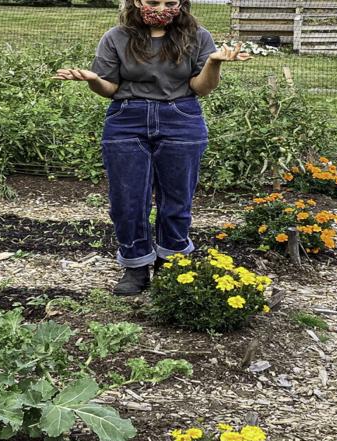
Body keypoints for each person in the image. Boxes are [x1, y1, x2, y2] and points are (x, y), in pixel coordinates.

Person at [54, 0, 251, 296]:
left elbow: (202, 88)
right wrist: (94, 80)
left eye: (170, 3)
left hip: (181, 117)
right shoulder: (116, 37)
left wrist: (214, 62)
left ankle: (170, 261)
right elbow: (110, 88)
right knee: (127, 200)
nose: (161, 8)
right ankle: (135, 265)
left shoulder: (197, 36)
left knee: (177, 198)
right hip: (127, 118)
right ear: (137, 1)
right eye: (153, 2)